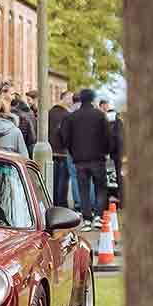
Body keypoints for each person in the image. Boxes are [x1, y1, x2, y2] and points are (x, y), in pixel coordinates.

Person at [63, 89, 114, 228]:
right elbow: (108, 137)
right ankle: (98, 215)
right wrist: (106, 152)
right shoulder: (100, 116)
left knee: (83, 190)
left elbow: (66, 138)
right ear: (92, 99)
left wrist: (74, 153)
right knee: (100, 188)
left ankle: (86, 218)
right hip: (98, 159)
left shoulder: (73, 117)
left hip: (80, 161)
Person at [48, 89, 76, 209]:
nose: (71, 101)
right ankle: (62, 205)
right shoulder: (67, 115)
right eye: (69, 98)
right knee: (63, 181)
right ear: (63, 98)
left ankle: (53, 203)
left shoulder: (50, 112)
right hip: (63, 152)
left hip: (51, 151)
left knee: (53, 181)